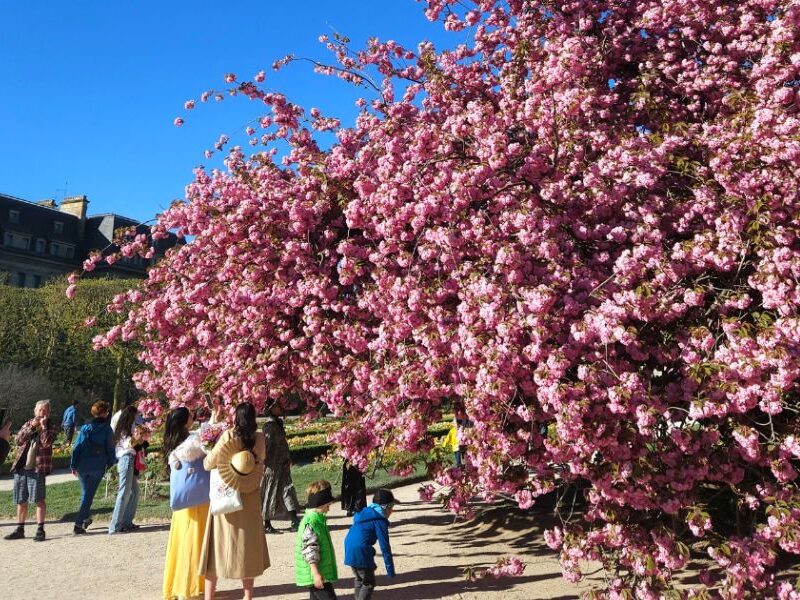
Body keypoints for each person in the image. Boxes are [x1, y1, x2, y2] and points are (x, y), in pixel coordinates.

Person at [200, 402, 270, 600]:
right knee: (247, 548)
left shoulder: (229, 436)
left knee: (216, 548)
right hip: (250, 496)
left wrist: (210, 446)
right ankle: (247, 596)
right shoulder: (260, 438)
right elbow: (261, 459)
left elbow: (207, 464)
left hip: (227, 497)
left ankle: (209, 596)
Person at [163, 407, 209, 600]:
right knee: (193, 541)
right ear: (184, 421)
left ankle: (189, 583)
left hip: (186, 500)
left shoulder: (175, 441)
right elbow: (202, 440)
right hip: (196, 501)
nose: (193, 417)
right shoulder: (190, 443)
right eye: (190, 416)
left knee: (185, 541)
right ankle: (187, 586)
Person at [4, 399, 58, 542]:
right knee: (21, 500)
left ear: (49, 412)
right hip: (22, 466)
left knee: (39, 500)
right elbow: (18, 440)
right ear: (35, 411)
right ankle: (20, 529)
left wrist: (44, 427)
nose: (42, 412)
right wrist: (32, 427)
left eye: (45, 410)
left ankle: (40, 529)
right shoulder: (29, 423)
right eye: (39, 410)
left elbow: (47, 443)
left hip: (38, 468)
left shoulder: (51, 426)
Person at [70, 400, 116, 534]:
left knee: (86, 494)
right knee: (88, 496)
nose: (108, 414)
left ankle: (85, 519)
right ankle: (78, 524)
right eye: (107, 411)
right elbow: (110, 448)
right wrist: (111, 462)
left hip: (83, 465)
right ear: (103, 413)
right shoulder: (107, 429)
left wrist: (73, 464)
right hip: (98, 465)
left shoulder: (85, 428)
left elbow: (77, 448)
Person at [343, 489, 398, 599]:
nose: (392, 511)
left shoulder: (364, 513)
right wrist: (390, 570)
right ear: (385, 508)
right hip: (361, 551)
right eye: (391, 508)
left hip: (349, 548)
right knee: (368, 582)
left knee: (359, 579)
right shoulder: (380, 521)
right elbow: (385, 547)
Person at [261, 401, 301, 533]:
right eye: (277, 407)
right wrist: (264, 462)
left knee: (287, 489)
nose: (280, 408)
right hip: (272, 465)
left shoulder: (278, 423)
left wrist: (288, 457)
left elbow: (283, 444)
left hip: (282, 463)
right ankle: (266, 522)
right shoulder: (269, 426)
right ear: (270, 409)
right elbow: (266, 446)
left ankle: (294, 519)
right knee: (270, 491)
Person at [296, 480, 339, 600]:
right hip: (316, 573)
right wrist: (316, 574)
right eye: (327, 506)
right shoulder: (312, 522)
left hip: (319, 573)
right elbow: (310, 551)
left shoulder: (317, 519)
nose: (328, 509)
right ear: (318, 504)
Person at [109, 405, 142, 534]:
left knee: (134, 492)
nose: (136, 418)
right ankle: (115, 525)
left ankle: (126, 522)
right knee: (124, 493)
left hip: (128, 459)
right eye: (135, 416)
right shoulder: (124, 429)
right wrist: (139, 439)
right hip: (126, 459)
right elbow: (129, 444)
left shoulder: (126, 428)